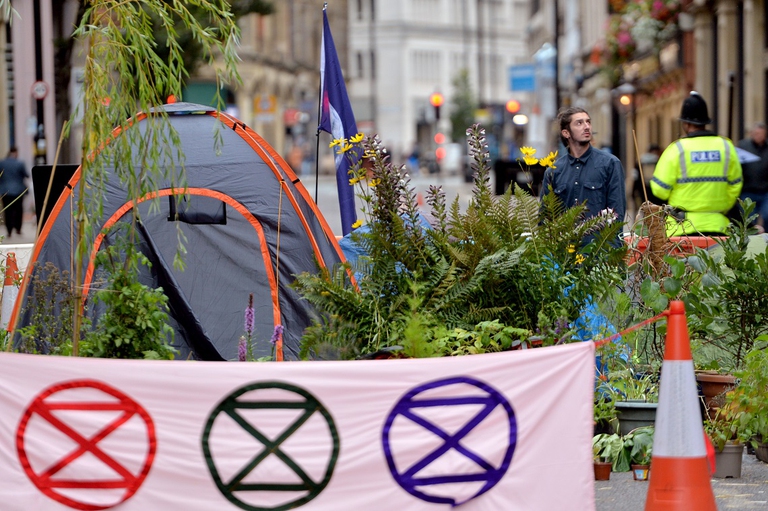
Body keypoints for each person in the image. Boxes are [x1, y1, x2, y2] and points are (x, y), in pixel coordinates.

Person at [650, 92, 743, 236]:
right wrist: (722, 205)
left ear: (685, 124)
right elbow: (736, 185)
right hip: (719, 226)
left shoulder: (677, 149)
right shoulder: (726, 146)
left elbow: (659, 189)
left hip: (682, 228)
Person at [539, 106, 627, 240]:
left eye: (588, 122)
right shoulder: (554, 171)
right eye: (579, 123)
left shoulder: (610, 164)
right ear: (566, 133)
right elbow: (545, 219)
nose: (586, 127)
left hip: (598, 248)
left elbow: (617, 213)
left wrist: (609, 248)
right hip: (564, 249)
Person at [737, 122, 768, 227]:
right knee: (749, 219)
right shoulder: (743, 146)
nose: (758, 136)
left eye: (760, 134)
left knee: (767, 215)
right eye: (756, 134)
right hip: (748, 190)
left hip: (765, 190)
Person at [0, 147, 30, 238]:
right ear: (16, 153)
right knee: (18, 210)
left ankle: (9, 230)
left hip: (5, 191)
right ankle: (18, 229)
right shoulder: (20, 163)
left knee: (7, 211)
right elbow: (26, 175)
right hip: (18, 191)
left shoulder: (2, 163)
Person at [632, 143, 663, 211]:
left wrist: (633, 191)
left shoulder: (640, 161)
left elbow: (635, 176)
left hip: (643, 190)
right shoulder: (659, 161)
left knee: (646, 210)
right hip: (655, 190)